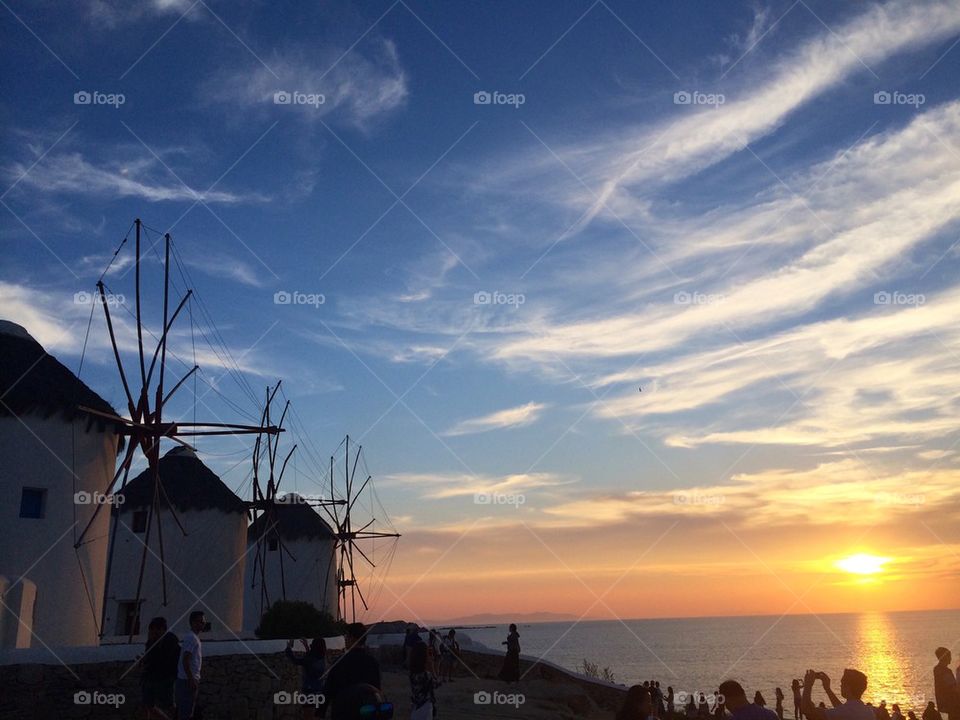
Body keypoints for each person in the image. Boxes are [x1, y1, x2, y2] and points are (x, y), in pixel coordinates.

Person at [324, 623, 381, 713]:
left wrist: (320, 712)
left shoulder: (340, 662)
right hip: (366, 710)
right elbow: (376, 689)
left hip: (343, 710)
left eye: (346, 637)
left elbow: (329, 689)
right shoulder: (372, 662)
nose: (345, 640)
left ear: (351, 638)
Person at [142, 616, 180, 719]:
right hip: (151, 676)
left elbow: (165, 658)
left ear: (163, 629)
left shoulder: (171, 639)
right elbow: (148, 656)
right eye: (153, 629)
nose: (155, 632)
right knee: (148, 704)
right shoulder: (151, 641)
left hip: (166, 677)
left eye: (158, 629)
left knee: (169, 704)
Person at [801, 669, 873, 720]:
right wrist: (828, 689)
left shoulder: (842, 712)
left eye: (842, 683)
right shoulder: (869, 712)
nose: (840, 686)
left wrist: (808, 684)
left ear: (847, 687)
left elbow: (807, 711)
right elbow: (842, 709)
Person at [286, 637, 327, 720]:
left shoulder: (309, 659)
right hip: (319, 691)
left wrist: (288, 648)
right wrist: (306, 647)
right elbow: (311, 658)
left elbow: (295, 660)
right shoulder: (322, 658)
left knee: (308, 717)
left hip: (308, 691)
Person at [176, 610, 206, 720]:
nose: (203, 624)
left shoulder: (193, 638)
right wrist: (191, 679)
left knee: (188, 711)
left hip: (187, 679)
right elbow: (186, 659)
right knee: (186, 712)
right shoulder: (191, 638)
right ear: (193, 622)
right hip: (187, 680)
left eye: (203, 622)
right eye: (200, 621)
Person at [408, 643, 437, 720]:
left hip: (416, 706)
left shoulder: (412, 674)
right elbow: (437, 683)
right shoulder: (426, 675)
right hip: (425, 707)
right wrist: (432, 666)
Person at [935, 648, 960, 720]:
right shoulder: (946, 671)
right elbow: (954, 687)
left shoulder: (937, 669)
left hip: (946, 703)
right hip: (953, 703)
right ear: (945, 657)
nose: (951, 658)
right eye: (949, 656)